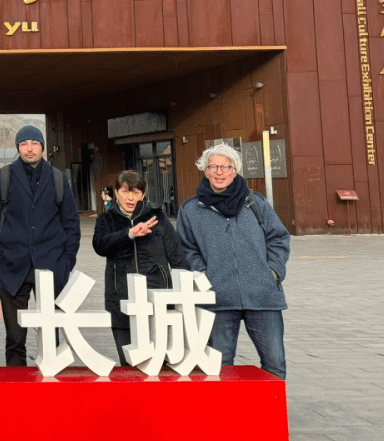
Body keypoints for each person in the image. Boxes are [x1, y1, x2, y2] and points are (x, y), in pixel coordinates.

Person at [177, 143, 290, 379]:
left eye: (225, 167)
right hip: (218, 298)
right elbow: (187, 249)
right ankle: (225, 416)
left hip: (262, 296)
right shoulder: (191, 209)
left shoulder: (255, 203)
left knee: (274, 362)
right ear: (205, 171)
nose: (219, 172)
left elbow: (278, 237)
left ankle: (268, 415)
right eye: (213, 167)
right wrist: (205, 276)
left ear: (235, 170)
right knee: (220, 367)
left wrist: (273, 273)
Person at [0, 124, 83, 366]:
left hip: (51, 265)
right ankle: (16, 391)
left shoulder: (58, 178)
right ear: (18, 147)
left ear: (42, 147)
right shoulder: (4, 177)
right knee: (15, 338)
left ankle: (48, 385)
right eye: (24, 144)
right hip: (11, 265)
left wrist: (67, 261)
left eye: (34, 143)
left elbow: (71, 222)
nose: (29, 149)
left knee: (50, 334)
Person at [92, 169, 188, 365]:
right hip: (122, 301)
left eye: (136, 193)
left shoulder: (158, 218)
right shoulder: (106, 220)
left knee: (159, 364)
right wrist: (129, 234)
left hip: (157, 302)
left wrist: (184, 297)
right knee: (129, 364)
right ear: (116, 192)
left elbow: (177, 257)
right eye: (126, 191)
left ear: (143, 195)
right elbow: (99, 246)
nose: (130, 197)